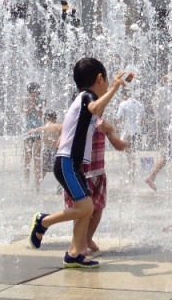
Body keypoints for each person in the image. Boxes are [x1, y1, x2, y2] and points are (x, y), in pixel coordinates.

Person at [28, 57, 125, 268]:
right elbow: (96, 108)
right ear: (100, 78)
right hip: (67, 163)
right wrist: (116, 88)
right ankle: (43, 221)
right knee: (86, 208)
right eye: (107, 80)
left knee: (86, 208)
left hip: (74, 164)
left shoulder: (84, 99)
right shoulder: (85, 97)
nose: (108, 84)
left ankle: (74, 253)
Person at [64, 118, 128, 254]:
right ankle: (78, 244)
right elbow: (60, 144)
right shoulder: (74, 123)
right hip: (77, 175)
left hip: (97, 174)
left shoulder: (104, 125)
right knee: (81, 210)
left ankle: (87, 238)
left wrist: (125, 144)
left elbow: (118, 145)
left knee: (97, 208)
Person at [27, 110, 63, 192]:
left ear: (46, 118)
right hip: (55, 151)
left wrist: (32, 131)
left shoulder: (45, 127)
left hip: (46, 151)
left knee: (43, 170)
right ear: (55, 119)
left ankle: (36, 186)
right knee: (58, 169)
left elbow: (36, 130)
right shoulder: (58, 126)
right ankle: (60, 187)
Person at [116, 89, 146, 183]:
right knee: (133, 155)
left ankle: (132, 179)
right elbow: (143, 121)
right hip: (137, 133)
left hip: (128, 133)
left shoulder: (123, 104)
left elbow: (118, 119)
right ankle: (133, 177)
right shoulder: (140, 105)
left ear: (125, 95)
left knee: (129, 157)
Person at [23, 82, 45, 190]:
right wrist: (30, 104)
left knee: (37, 158)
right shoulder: (25, 101)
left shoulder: (42, 100)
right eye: (35, 91)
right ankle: (26, 183)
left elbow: (40, 114)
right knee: (27, 158)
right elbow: (25, 113)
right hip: (27, 132)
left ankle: (37, 184)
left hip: (37, 132)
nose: (37, 93)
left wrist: (36, 105)